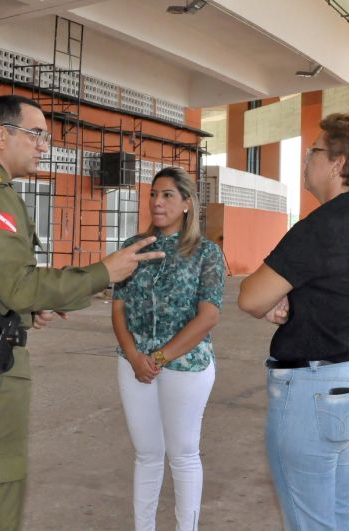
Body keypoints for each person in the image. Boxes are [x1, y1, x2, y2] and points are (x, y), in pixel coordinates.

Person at [0, 94, 164, 531]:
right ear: (0, 135)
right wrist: (103, 271)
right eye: (36, 134)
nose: (44, 145)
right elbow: (19, 284)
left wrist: (24, 311)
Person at [238, 113, 349, 531]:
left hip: (315, 393)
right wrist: (287, 295)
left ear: (339, 163)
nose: (307, 159)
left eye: (315, 151)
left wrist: (274, 295)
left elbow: (250, 297)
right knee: (333, 516)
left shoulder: (321, 227)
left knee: (309, 523)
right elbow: (332, 292)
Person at [111, 167, 225, 531]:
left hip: (185, 367)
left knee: (183, 455)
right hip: (135, 365)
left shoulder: (206, 252)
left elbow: (208, 316)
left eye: (167, 195)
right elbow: (118, 308)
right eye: (153, 194)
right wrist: (133, 356)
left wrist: (159, 358)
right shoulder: (133, 247)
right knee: (146, 455)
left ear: (187, 203)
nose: (157, 202)